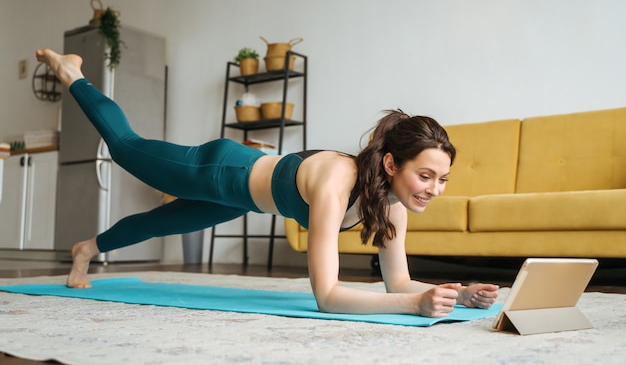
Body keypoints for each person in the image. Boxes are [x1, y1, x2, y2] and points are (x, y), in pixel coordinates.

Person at [36, 48, 499, 318]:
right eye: (426, 176)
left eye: (442, 180)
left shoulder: (393, 201)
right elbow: (328, 296)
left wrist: (454, 295)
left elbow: (397, 281)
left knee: (162, 224)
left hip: (244, 201)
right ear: (394, 163)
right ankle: (72, 72)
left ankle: (86, 249)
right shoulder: (339, 181)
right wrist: (413, 306)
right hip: (221, 170)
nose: (434, 190)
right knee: (125, 147)